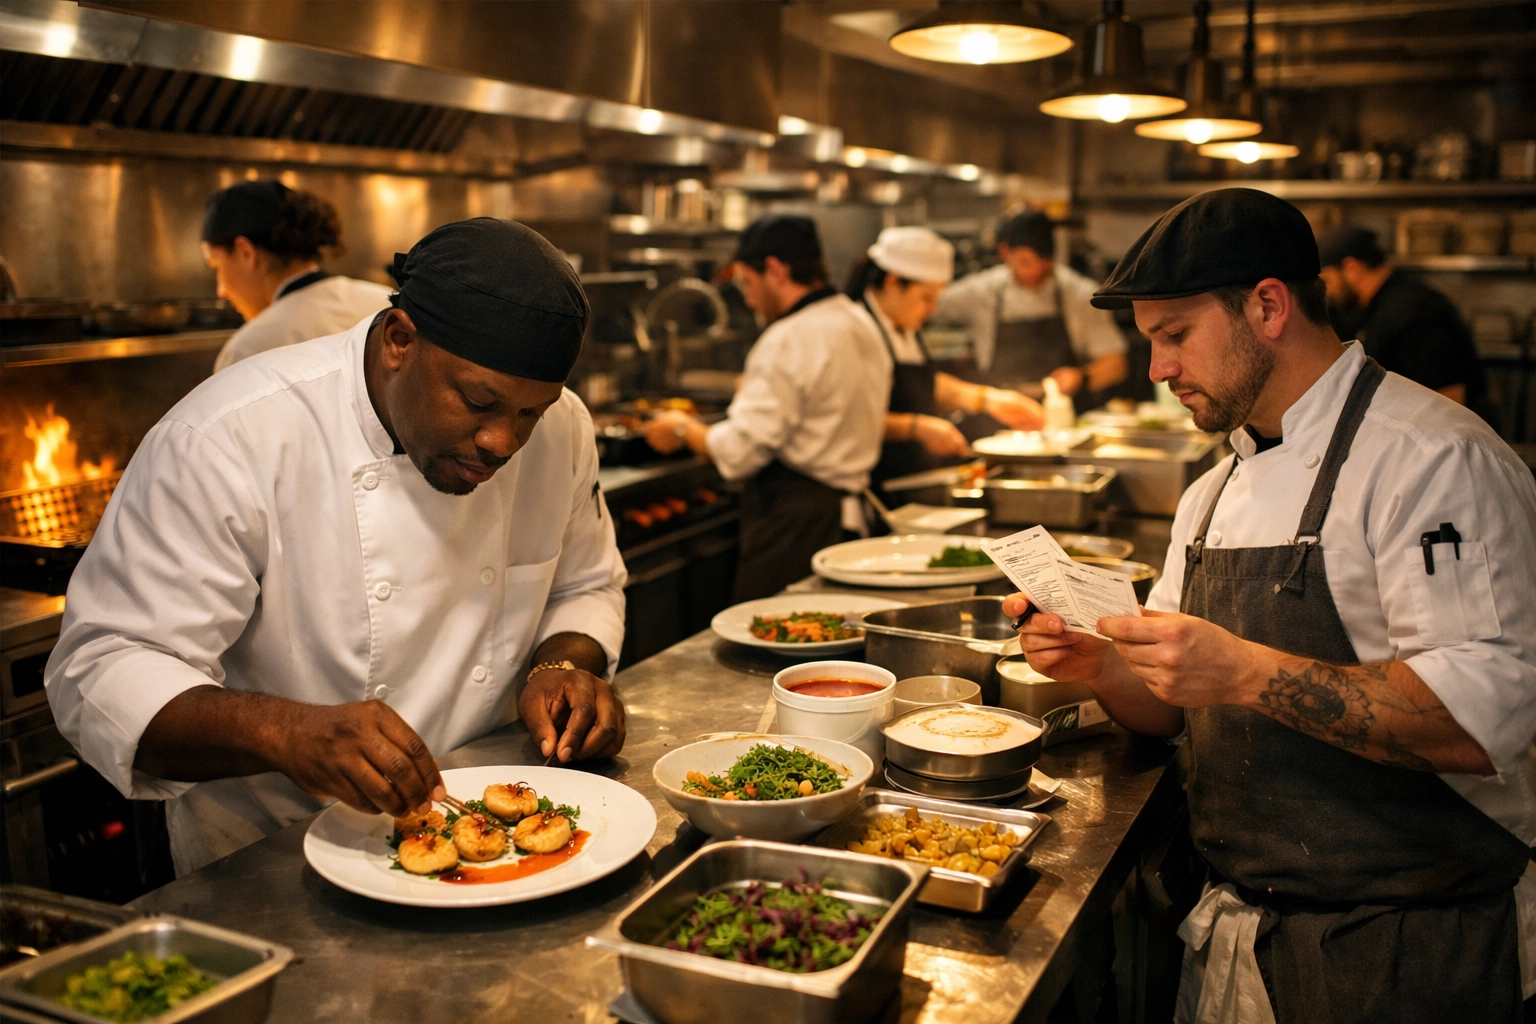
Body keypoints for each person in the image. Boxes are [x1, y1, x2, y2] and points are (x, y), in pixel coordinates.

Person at [1009, 188, 1536, 1023]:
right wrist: (1101, 664)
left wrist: (1246, 670)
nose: (1158, 369)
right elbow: (1173, 708)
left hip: (1409, 953)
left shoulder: (1434, 461)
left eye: (1175, 336)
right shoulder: (1212, 490)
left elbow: (1476, 727)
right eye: (1149, 343)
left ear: (1267, 306)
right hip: (1239, 942)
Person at [47, 218, 628, 875]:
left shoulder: (565, 428)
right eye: (477, 402)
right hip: (270, 860)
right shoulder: (229, 438)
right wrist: (285, 732)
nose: (503, 441)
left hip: (498, 846)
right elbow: (100, 666)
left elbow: (586, 585)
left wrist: (559, 667)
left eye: (531, 413)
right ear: (399, 340)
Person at [643, 215, 889, 601]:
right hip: (847, 520)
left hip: (796, 530)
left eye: (747, 281)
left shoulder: (788, 338)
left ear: (774, 269)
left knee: (774, 649)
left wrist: (681, 428)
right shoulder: (858, 320)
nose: (748, 298)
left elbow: (740, 453)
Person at [843, 226, 1044, 487]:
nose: (933, 309)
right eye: (926, 298)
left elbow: (919, 384)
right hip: (876, 483)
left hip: (913, 480)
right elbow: (846, 418)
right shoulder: (853, 329)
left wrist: (988, 399)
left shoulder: (903, 324)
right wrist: (917, 427)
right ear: (893, 282)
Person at [933, 209, 1127, 405]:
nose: (1036, 271)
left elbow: (1116, 365)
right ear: (1004, 252)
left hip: (1064, 412)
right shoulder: (980, 292)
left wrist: (1082, 377)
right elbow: (928, 306)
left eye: (1045, 263)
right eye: (1026, 262)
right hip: (999, 410)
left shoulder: (1079, 294)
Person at [201, 180, 393, 372]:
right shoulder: (387, 302)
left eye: (217, 266)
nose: (221, 291)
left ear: (246, 253)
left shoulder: (248, 350)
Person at [1316, 224, 1491, 416]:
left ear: (1352, 268)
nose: (1328, 291)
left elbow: (1450, 400)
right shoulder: (1368, 308)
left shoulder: (1413, 310)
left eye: (1328, 280)